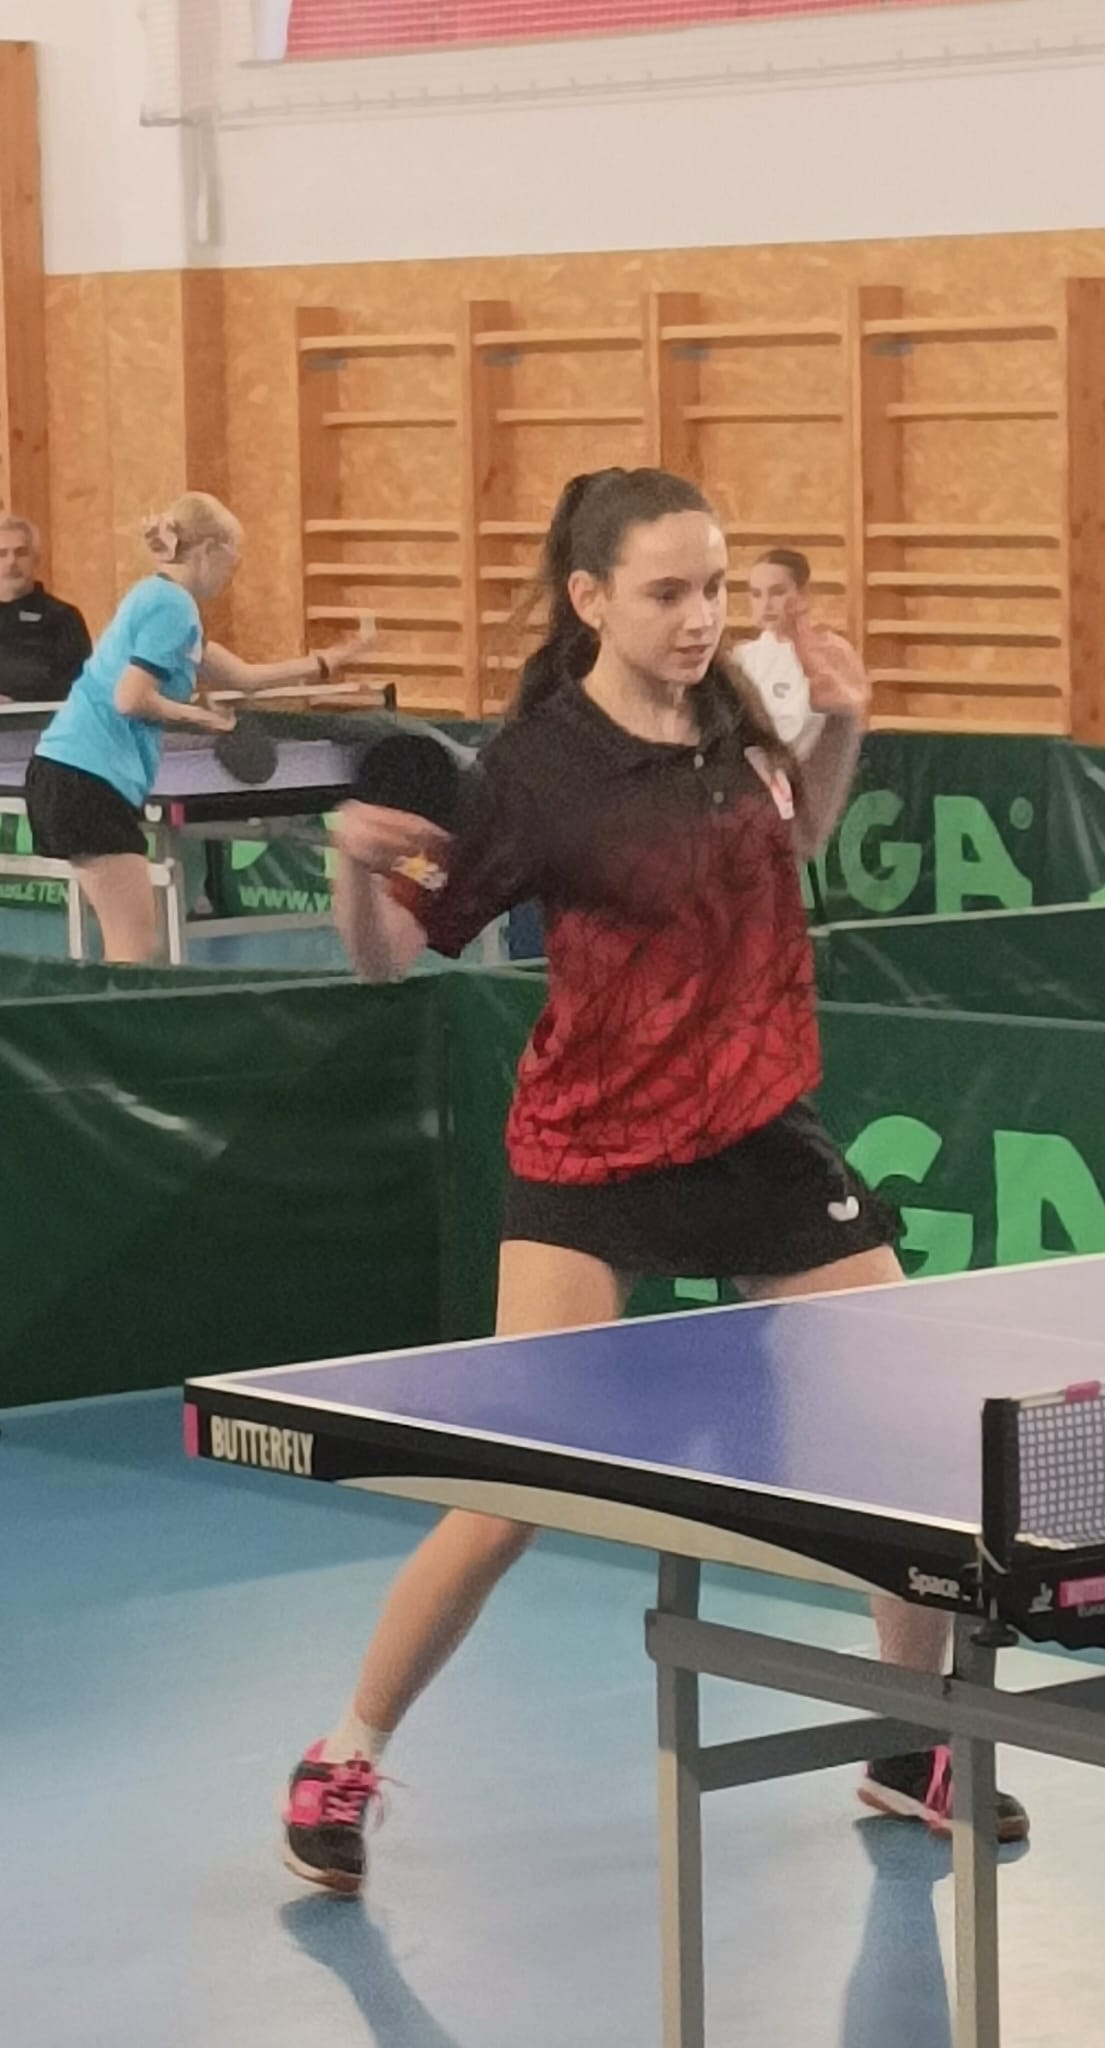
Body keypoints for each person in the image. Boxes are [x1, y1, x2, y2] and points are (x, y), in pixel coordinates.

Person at [281, 466, 1029, 1897]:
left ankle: (906, 1739)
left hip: (754, 1128)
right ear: (590, 597)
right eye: (668, 592)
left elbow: (796, 839)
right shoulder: (532, 771)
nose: (699, 617)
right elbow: (396, 957)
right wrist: (356, 869)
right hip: (592, 1146)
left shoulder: (730, 710)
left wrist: (846, 722)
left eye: (712, 587)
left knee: (912, 1441)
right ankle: (344, 1755)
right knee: (509, 1486)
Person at [24, 491, 371, 965]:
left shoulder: (158, 599)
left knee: (128, 943)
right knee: (135, 947)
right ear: (208, 550)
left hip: (70, 774)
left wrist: (333, 659)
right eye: (233, 558)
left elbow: (245, 678)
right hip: (86, 778)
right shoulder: (173, 607)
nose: (233, 572)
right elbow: (130, 698)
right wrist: (204, 720)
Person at [736, 547, 825, 756]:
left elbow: (797, 734)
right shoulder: (740, 658)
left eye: (777, 592)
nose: (766, 604)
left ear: (803, 594)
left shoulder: (823, 661)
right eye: (756, 594)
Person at [0, 515, 92, 704]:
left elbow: (82, 687)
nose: (11, 562)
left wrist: (16, 702)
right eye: (2, 553)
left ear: (36, 560)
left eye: (21, 553)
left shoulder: (63, 617)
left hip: (41, 720)